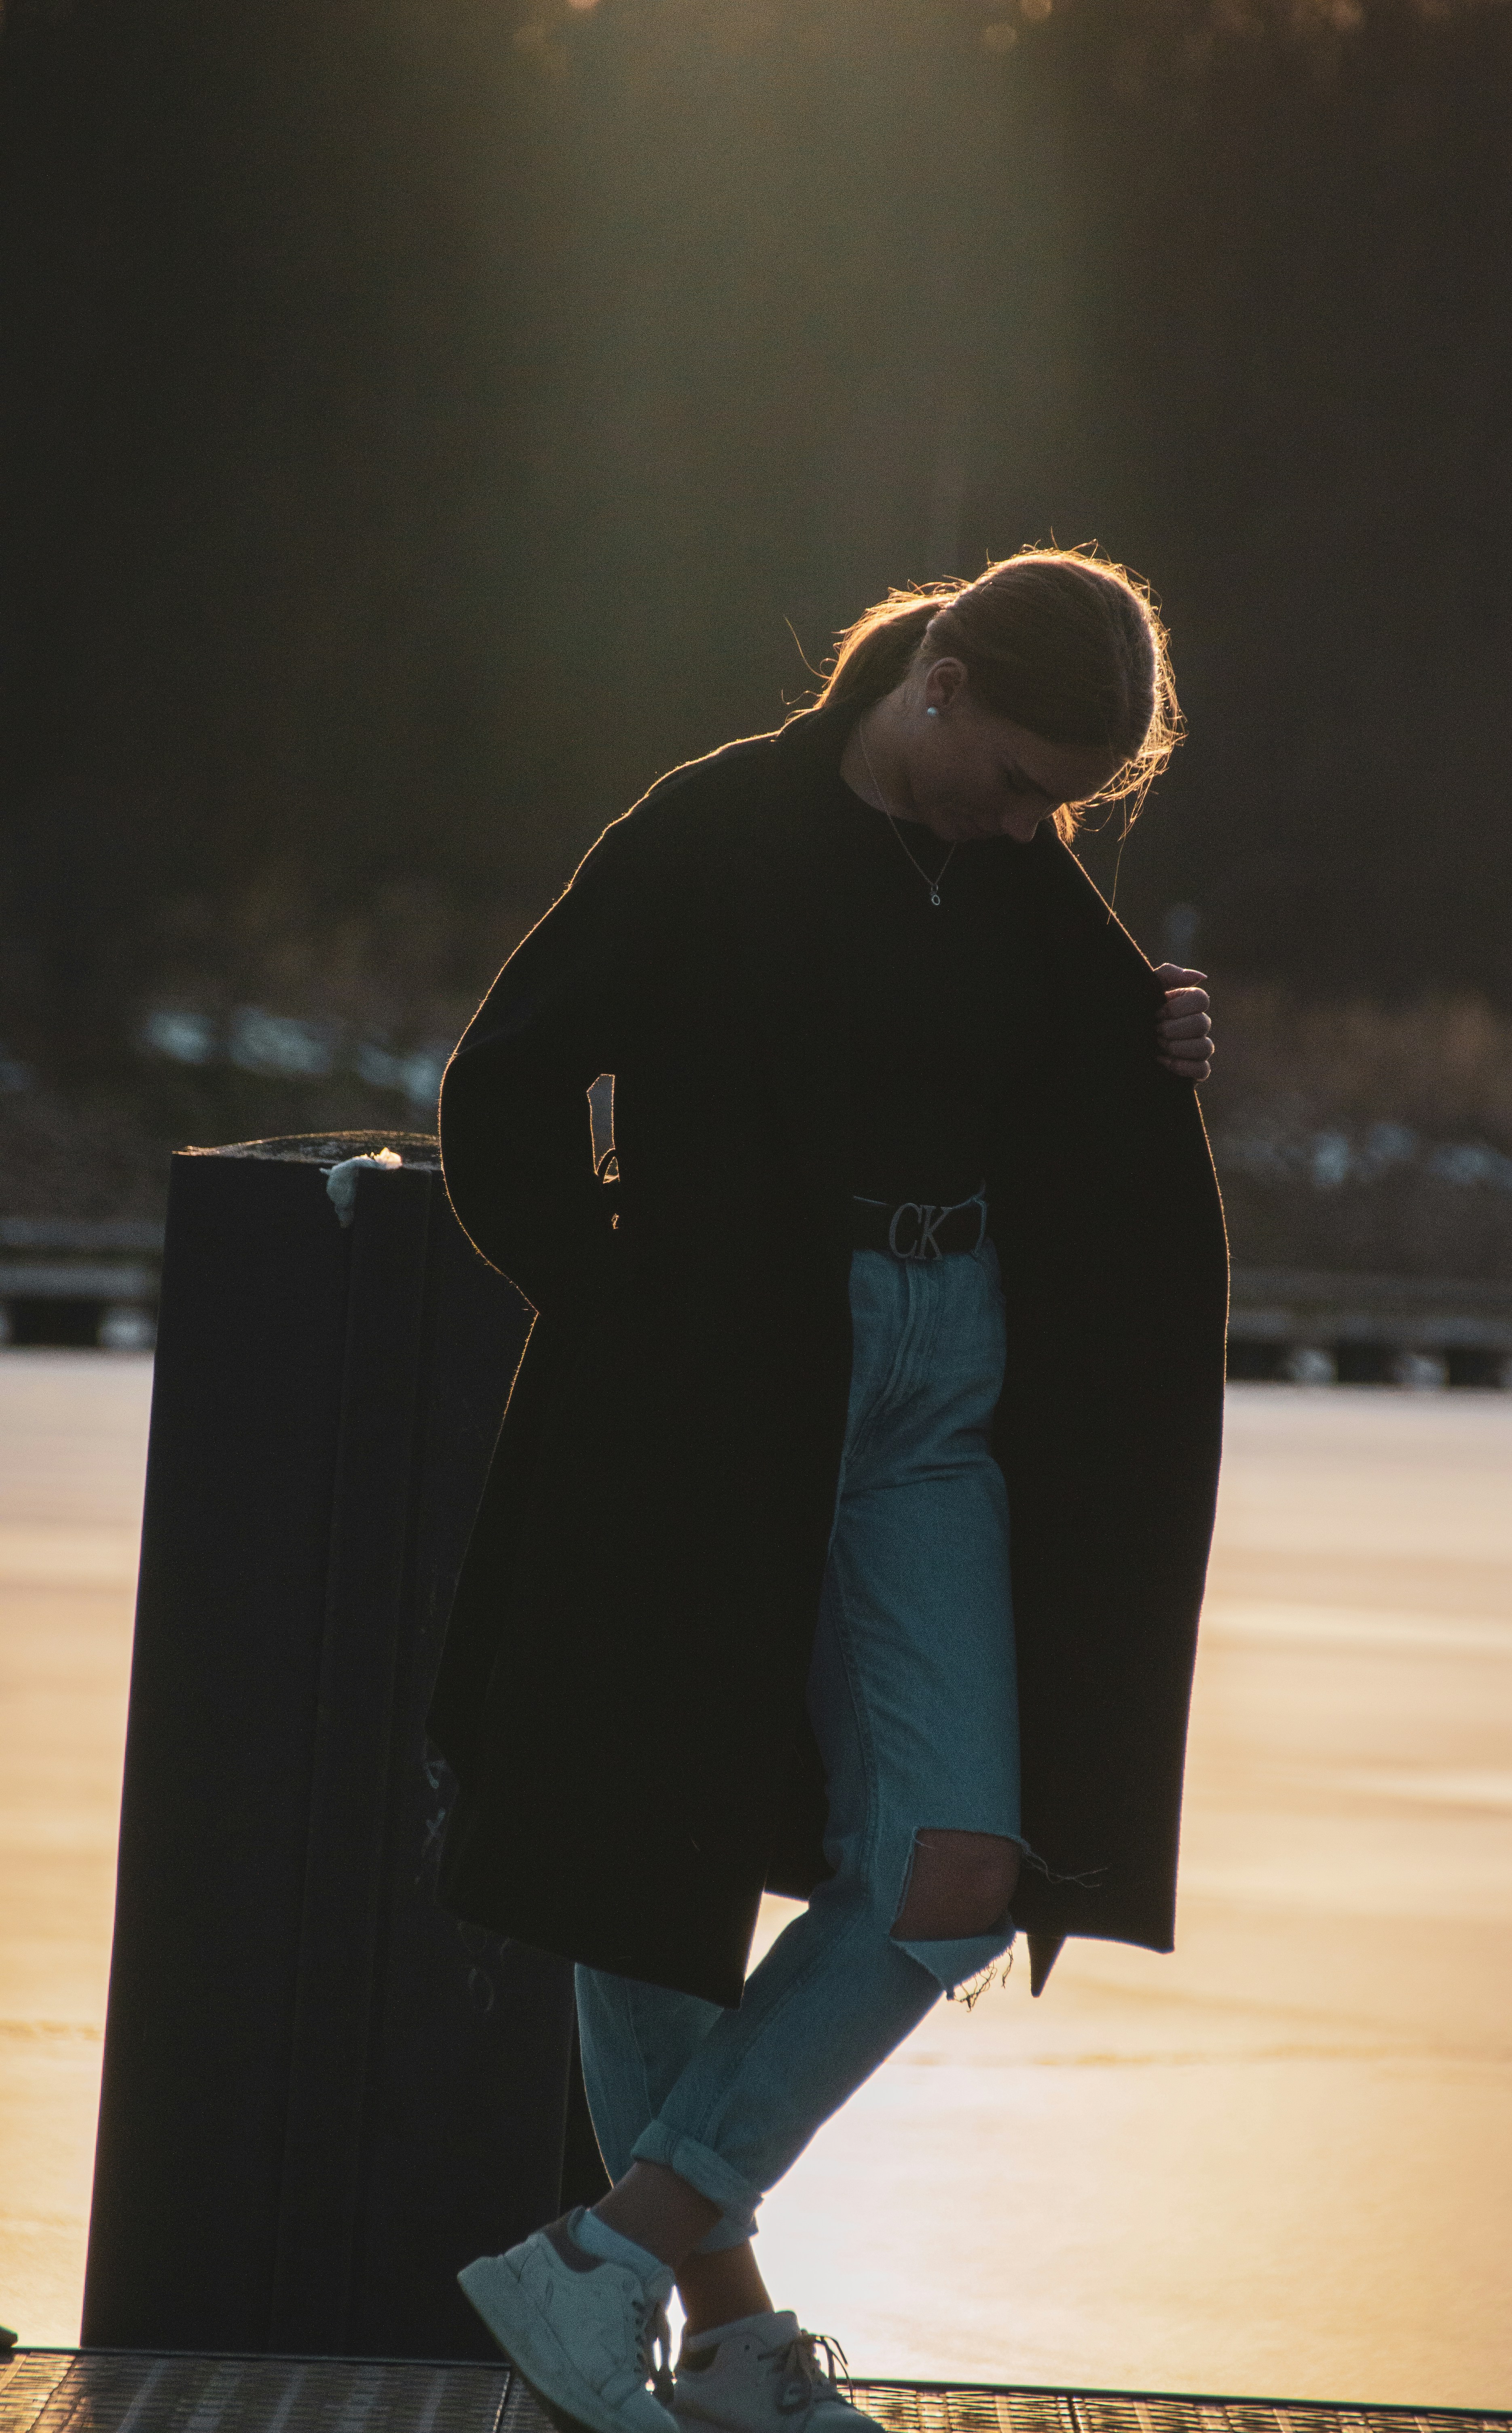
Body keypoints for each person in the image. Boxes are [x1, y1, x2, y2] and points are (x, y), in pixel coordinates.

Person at [429, 548, 1228, 2433]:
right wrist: (639, 1314)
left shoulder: (1022, 888)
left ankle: (601, 2256)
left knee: (955, 1863)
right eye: (1026, 776)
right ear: (939, 677)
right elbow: (503, 1091)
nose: (1043, 821)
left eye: (1070, 799)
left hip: (945, 1391)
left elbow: (1082, 1105)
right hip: (713, 1395)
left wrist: (1157, 1048)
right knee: (644, 1854)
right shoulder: (712, 832)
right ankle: (716, 2332)